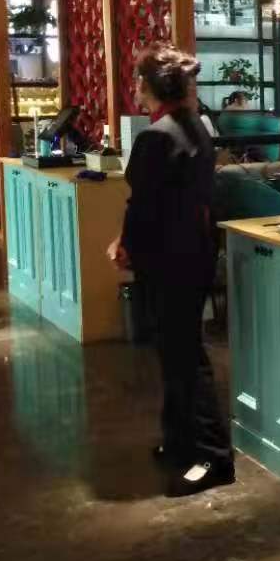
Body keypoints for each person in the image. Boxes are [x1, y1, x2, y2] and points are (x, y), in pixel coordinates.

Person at [108, 44, 234, 498]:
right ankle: (180, 441)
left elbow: (143, 207)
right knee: (177, 353)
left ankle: (213, 458)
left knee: (184, 358)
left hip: (168, 261)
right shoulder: (196, 127)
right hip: (193, 254)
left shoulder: (155, 137)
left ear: (149, 86)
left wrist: (125, 246)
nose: (136, 87)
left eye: (138, 79)